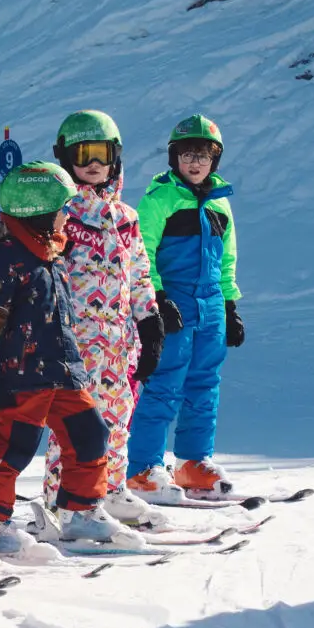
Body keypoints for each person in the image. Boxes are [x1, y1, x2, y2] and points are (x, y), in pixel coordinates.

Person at [0, 162, 143, 556]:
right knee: (15, 445)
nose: (67, 215)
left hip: (63, 367)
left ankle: (81, 512)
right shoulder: (6, 255)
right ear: (41, 211)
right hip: (22, 372)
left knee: (91, 435)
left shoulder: (52, 250)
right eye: (63, 208)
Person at [25, 111, 168, 540]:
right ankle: (62, 499)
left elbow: (139, 274)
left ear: (116, 158)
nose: (92, 163)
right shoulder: (61, 213)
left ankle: (109, 491)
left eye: (101, 154)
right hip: (75, 341)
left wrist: (149, 320)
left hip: (119, 343)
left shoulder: (126, 217)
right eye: (82, 154)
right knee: (72, 424)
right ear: (66, 158)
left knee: (119, 418)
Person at [127, 114, 244, 500]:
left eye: (204, 155)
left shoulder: (219, 204)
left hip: (209, 306)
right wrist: (157, 299)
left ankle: (193, 463)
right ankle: (143, 467)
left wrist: (229, 306)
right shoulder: (160, 198)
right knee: (163, 384)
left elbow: (226, 260)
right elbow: (140, 251)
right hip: (173, 302)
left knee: (204, 385)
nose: (195, 162)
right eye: (188, 154)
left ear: (215, 160)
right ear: (174, 157)